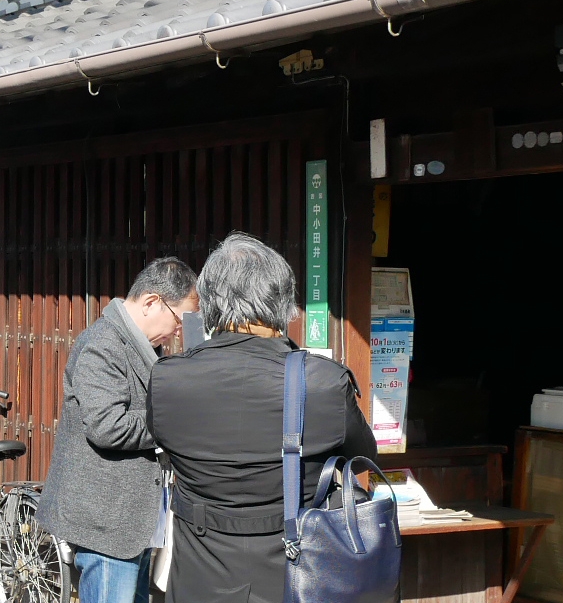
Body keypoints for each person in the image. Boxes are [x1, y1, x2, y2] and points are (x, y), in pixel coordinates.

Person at [147, 233, 376, 603]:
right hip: (297, 575)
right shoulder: (321, 382)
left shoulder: (167, 378)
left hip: (197, 576)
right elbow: (363, 453)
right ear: (283, 301)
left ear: (207, 303)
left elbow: (169, 449)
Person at [39, 257, 199, 603]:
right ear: (151, 302)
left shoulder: (141, 345)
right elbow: (107, 426)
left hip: (132, 520)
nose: (178, 330)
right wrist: (173, 422)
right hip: (106, 522)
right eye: (178, 319)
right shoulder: (103, 343)